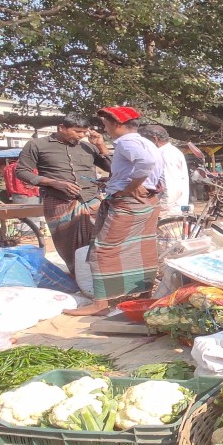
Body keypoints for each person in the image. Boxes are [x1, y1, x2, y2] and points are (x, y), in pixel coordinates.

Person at [64, 106, 161, 316]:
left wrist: (131, 187)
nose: (104, 128)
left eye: (106, 124)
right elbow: (147, 167)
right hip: (146, 201)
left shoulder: (127, 141)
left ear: (117, 124)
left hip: (128, 203)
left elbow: (146, 163)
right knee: (140, 248)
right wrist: (122, 181)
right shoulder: (146, 142)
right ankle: (143, 294)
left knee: (102, 250)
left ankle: (100, 303)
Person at [14, 114, 111, 275]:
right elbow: (22, 172)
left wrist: (101, 146)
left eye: (84, 132)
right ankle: (79, 278)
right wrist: (54, 183)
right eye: (77, 131)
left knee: (101, 242)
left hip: (91, 200)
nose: (81, 135)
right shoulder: (36, 145)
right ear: (61, 128)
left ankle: (101, 278)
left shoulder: (89, 146)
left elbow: (112, 168)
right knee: (69, 247)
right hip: (59, 202)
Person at [140, 125, 190, 215]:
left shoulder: (165, 155)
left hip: (169, 209)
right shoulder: (170, 151)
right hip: (170, 206)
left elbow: (170, 185)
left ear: (154, 139)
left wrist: (162, 206)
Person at [1, 158, 43, 236]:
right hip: (29, 194)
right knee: (32, 215)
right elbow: (35, 180)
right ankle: (31, 235)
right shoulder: (28, 167)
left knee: (21, 216)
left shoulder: (8, 168)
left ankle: (23, 233)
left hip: (16, 195)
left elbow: (7, 183)